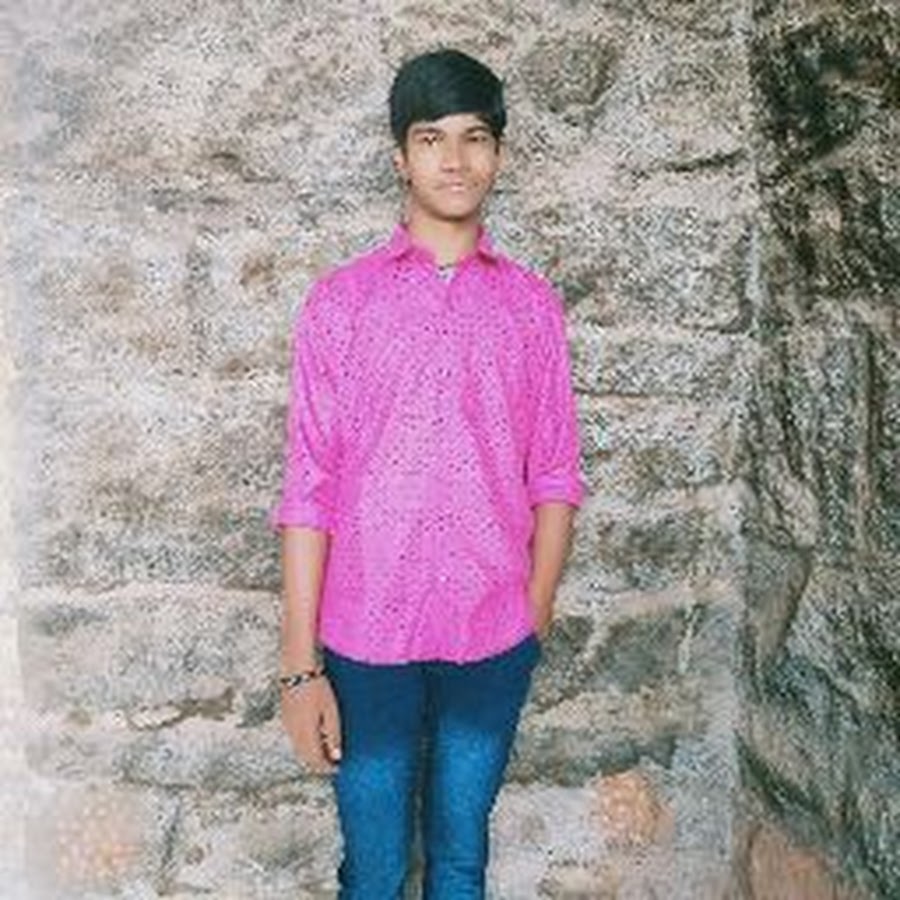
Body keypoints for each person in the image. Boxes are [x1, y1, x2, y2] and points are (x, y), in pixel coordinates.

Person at [271, 47, 587, 900]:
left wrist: (533, 612)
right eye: (430, 138)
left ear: (499, 154)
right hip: (365, 639)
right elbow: (310, 485)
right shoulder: (341, 303)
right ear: (399, 157)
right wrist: (300, 667)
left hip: (493, 638)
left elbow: (556, 470)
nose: (455, 159)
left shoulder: (530, 307)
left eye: (475, 137)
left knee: (459, 864)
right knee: (374, 872)